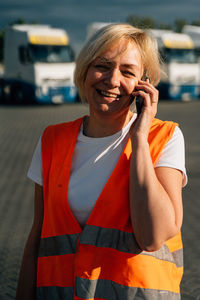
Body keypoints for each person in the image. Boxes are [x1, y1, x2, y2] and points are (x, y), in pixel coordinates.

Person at [16, 23, 187, 300]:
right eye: (103, 66)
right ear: (85, 70)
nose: (112, 79)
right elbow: (38, 237)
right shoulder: (52, 140)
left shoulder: (164, 137)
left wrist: (139, 138)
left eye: (127, 71)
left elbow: (153, 236)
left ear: (143, 83)